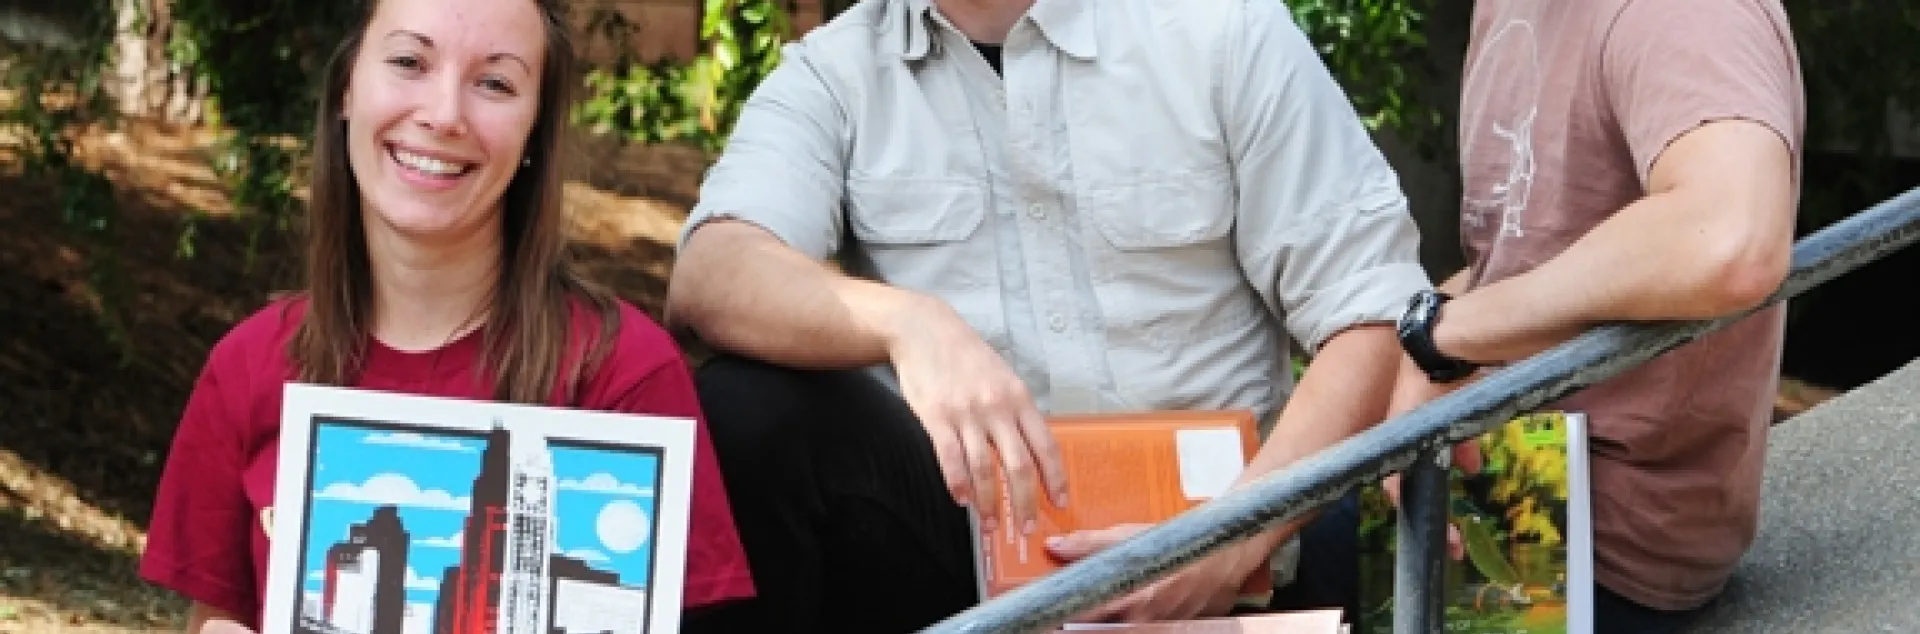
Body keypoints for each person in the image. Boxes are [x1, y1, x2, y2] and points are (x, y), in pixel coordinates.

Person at [663, 0, 1443, 629]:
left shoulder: (1224, 30)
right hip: (965, 567)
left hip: (1237, 556)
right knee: (749, 408)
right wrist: (912, 326)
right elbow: (714, 271)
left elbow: (1375, 312)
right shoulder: (836, 74)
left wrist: (1230, 535)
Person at [136, 0, 756, 631]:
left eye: (495, 83)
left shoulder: (623, 375)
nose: (444, 115)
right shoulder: (249, 367)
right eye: (409, 61)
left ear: (534, 128)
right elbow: (211, 620)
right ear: (348, 86)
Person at [1303, 0, 1805, 632]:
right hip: (1491, 481)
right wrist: (1428, 329)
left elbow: (1731, 239)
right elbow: (1515, 260)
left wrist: (1449, 336)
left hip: (1597, 546)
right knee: (1240, 561)